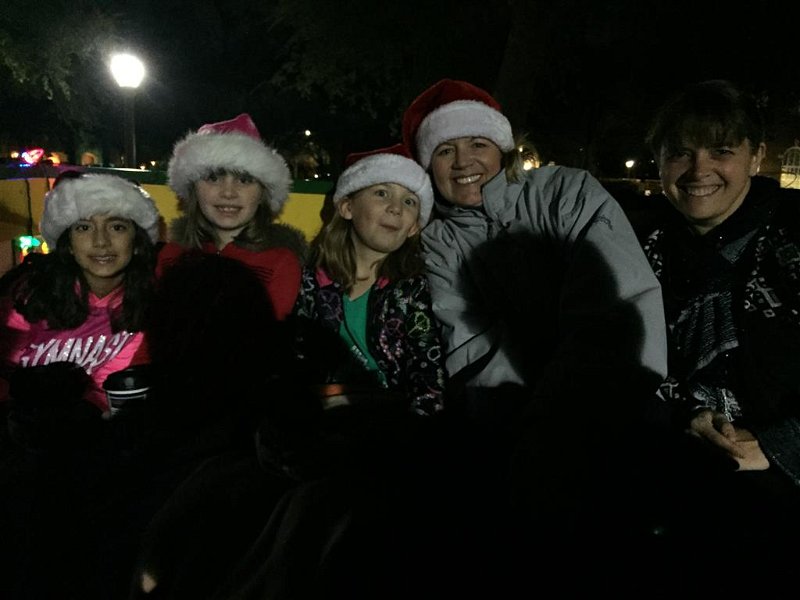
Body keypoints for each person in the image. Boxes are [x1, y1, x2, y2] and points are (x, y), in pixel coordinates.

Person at [400, 78, 669, 586]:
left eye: (477, 144)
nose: (463, 162)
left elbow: (614, 310)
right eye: (445, 150)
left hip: (610, 400)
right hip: (517, 423)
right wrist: (524, 431)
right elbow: (469, 343)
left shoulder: (568, 191)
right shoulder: (437, 241)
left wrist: (554, 420)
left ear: (503, 150)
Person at [640, 79, 800, 587]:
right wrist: (685, 416)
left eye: (722, 151)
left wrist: (778, 445)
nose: (698, 170)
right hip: (675, 490)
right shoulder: (639, 248)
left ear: (757, 156)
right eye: (680, 153)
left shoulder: (793, 236)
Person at [292, 143, 446, 417]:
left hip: (391, 422)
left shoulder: (412, 289)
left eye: (409, 201)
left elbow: (427, 372)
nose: (395, 208)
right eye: (381, 193)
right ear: (347, 207)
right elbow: (295, 359)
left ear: (413, 227)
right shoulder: (310, 281)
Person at [0, 171, 159, 416]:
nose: (101, 241)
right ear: (69, 244)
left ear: (137, 242)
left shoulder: (144, 303)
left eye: (117, 227)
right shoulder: (29, 294)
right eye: (84, 227)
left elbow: (108, 390)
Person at [160, 112, 307, 320]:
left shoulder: (280, 262)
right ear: (193, 189)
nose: (228, 193)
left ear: (263, 193)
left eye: (244, 180)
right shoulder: (171, 255)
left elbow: (266, 334)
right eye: (213, 178)